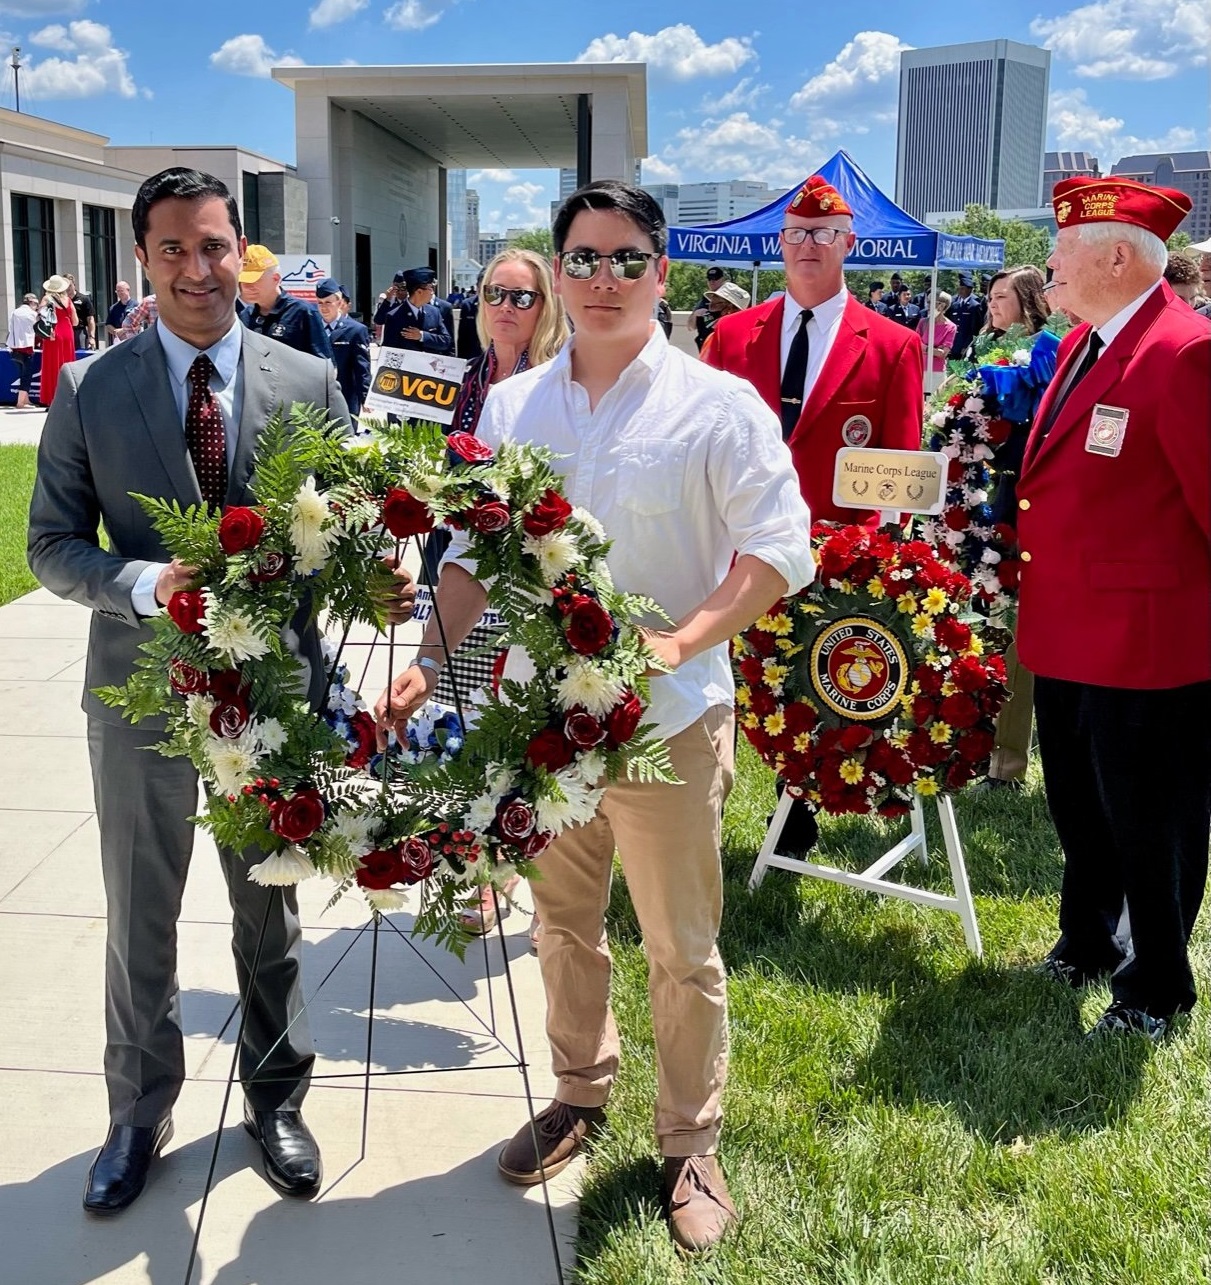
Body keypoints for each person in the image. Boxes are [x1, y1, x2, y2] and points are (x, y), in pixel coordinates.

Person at [376, 179, 815, 1253]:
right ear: (555, 274)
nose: (603, 279)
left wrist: (676, 640)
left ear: (661, 276)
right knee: (560, 925)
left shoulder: (718, 406)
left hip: (665, 720)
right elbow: (480, 554)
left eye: (627, 259)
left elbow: (775, 552)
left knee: (679, 942)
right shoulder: (514, 408)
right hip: (540, 724)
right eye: (582, 258)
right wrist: (431, 663)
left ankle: (689, 1140)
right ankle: (579, 1089)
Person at [26, 167, 411, 1216]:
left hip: (274, 692)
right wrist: (147, 584)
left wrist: (379, 565)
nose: (197, 271)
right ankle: (137, 1111)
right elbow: (50, 546)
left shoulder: (305, 377)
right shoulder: (87, 389)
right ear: (141, 261)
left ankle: (275, 1099)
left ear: (240, 252)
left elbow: (347, 527)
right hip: (139, 697)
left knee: (269, 910)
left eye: (213, 248)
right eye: (173, 251)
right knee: (139, 911)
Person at [1017, 176, 1210, 1040]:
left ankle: (1157, 984)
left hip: (1147, 644)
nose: (1048, 265)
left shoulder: (1181, 352)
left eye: (1062, 252)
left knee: (1152, 821)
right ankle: (1088, 939)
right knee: (1079, 807)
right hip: (1066, 630)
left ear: (1118, 258)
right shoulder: (1080, 346)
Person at [704, 174, 923, 857]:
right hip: (734, 545)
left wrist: (876, 554)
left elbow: (901, 461)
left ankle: (792, 816)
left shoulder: (891, 345)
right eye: (797, 233)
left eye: (823, 234)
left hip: (832, 554)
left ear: (847, 244)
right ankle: (699, 807)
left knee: (803, 682)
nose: (808, 246)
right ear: (779, 243)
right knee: (722, 679)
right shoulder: (731, 336)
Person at [435, 246, 569, 941]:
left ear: (546, 306)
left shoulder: (556, 384)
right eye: (495, 293)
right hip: (463, 568)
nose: (506, 307)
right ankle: (481, 852)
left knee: (514, 721)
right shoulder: (465, 378)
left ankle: (498, 865)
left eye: (523, 296)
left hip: (525, 583)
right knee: (465, 715)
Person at [238, 245, 333, 361]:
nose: (247, 287)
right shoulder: (244, 316)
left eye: (254, 280)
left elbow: (325, 366)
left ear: (276, 279)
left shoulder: (303, 312)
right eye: (242, 280)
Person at [314, 277, 371, 419]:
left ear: (339, 302)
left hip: (345, 396)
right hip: (315, 398)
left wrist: (365, 396)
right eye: (320, 303)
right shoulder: (311, 327)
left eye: (328, 302)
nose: (323, 307)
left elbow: (362, 367)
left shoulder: (356, 330)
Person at [373, 267, 452, 354]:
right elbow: (389, 352)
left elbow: (446, 341)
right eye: (430, 288)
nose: (432, 292)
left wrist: (422, 336)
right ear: (419, 292)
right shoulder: (395, 316)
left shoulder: (434, 312)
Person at [36, 274, 77, 407]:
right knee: (67, 364)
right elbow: (75, 322)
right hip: (68, 333)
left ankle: (52, 399)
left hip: (53, 333)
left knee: (52, 366)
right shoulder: (68, 300)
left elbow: (40, 316)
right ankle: (68, 398)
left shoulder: (47, 298)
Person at [917, 290, 956, 391]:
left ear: (942, 306)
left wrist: (924, 348)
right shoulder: (923, 322)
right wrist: (934, 350)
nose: (928, 305)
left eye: (931, 302)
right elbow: (915, 344)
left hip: (937, 372)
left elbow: (943, 354)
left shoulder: (951, 327)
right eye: (928, 302)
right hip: (919, 369)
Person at [7, 291, 39, 407]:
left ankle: (26, 399)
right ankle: (20, 402)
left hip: (14, 348)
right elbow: (38, 328)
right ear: (31, 303)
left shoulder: (15, 312)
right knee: (26, 376)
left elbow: (10, 328)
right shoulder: (32, 314)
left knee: (21, 374)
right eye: (36, 304)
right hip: (26, 348)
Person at [946, 272, 986, 358]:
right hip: (953, 343)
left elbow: (975, 329)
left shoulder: (975, 306)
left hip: (965, 344)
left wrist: (967, 345)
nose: (960, 291)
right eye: (959, 288)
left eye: (963, 289)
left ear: (969, 290)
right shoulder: (954, 304)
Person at [687, 265, 727, 350]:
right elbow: (690, 327)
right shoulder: (704, 299)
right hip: (704, 344)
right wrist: (695, 315)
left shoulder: (730, 300)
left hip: (721, 344)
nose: (712, 282)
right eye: (710, 279)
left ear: (722, 280)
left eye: (715, 279)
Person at [65, 273, 96, 351]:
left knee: (80, 354)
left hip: (79, 331)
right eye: (65, 286)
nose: (67, 288)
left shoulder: (83, 299)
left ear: (74, 285)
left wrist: (91, 337)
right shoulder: (61, 300)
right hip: (65, 331)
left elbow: (90, 319)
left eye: (70, 286)